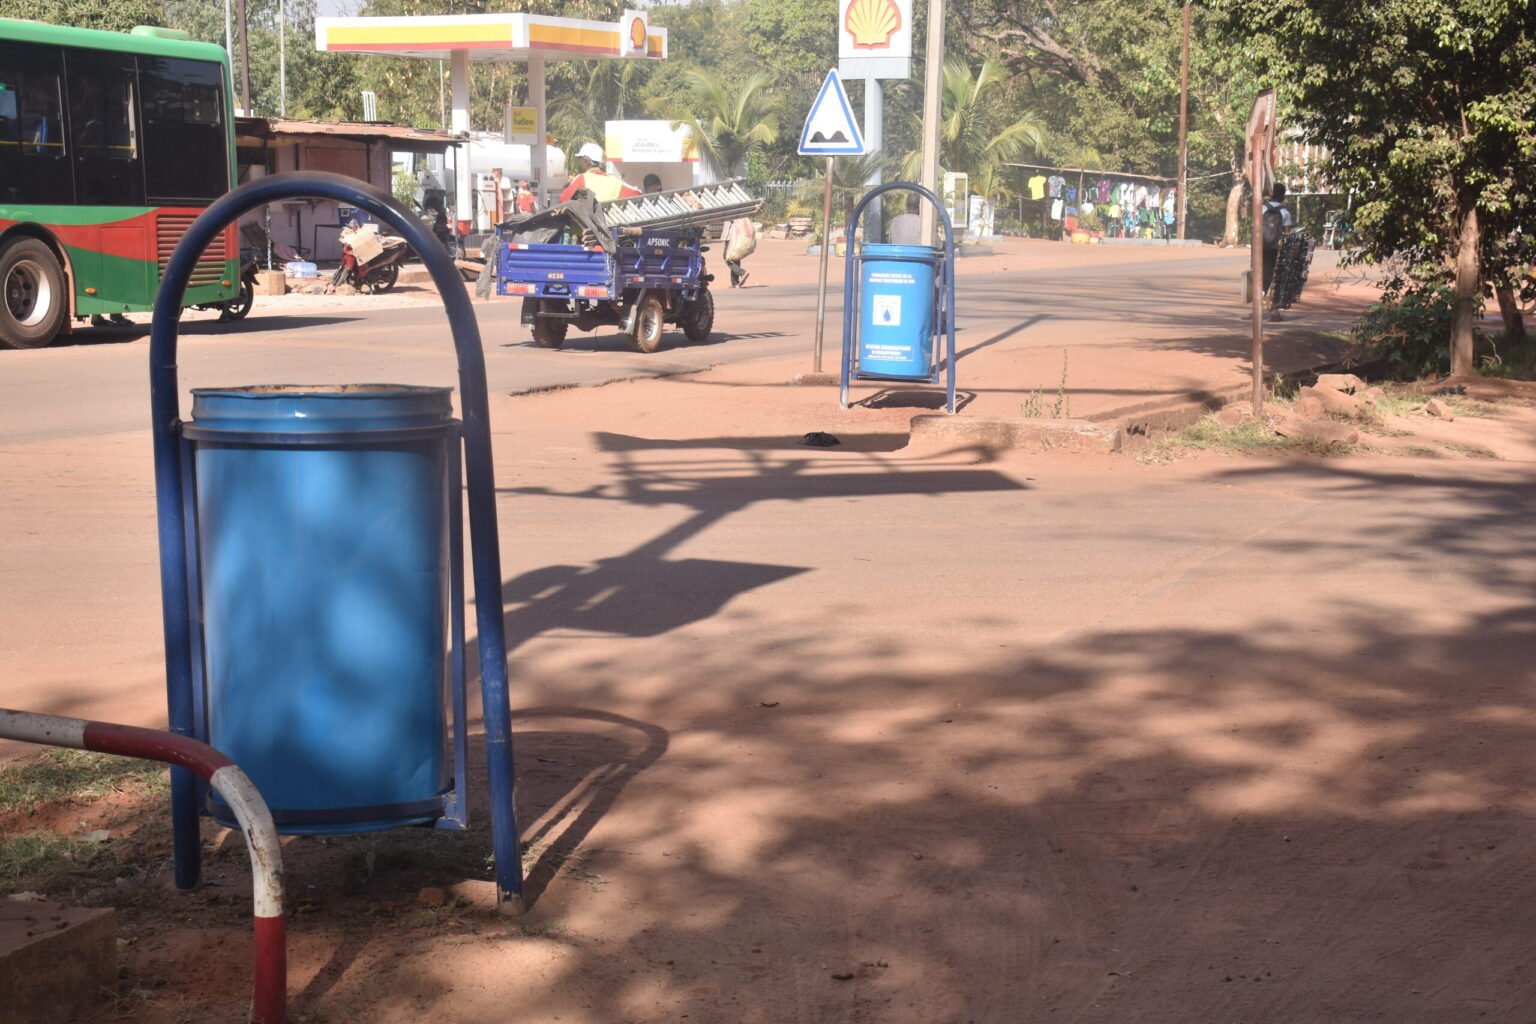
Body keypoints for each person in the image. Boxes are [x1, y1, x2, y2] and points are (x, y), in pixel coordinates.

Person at [558, 142, 639, 203]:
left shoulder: (582, 178)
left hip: (587, 224)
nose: (579, 163)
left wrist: (566, 186)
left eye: (580, 159)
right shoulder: (615, 182)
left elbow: (563, 199)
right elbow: (637, 194)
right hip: (609, 224)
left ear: (586, 161)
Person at [1261, 182, 1293, 319]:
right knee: (1277, 278)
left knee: (1261, 275)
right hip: (1277, 249)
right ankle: (1274, 310)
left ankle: (1259, 299)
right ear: (1283, 196)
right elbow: (1287, 233)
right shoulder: (1284, 212)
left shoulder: (1261, 208)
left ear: (1271, 194)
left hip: (1260, 248)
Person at [721, 215, 756, 288]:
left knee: (727, 258)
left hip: (731, 237)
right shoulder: (741, 211)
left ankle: (741, 272)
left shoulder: (730, 211)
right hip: (737, 237)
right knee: (735, 258)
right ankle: (735, 283)